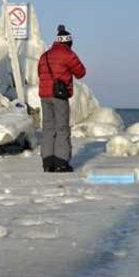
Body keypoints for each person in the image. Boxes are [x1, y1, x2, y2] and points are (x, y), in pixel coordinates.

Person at [37, 24, 86, 173]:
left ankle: (48, 163)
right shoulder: (68, 54)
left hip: (45, 96)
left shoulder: (44, 55)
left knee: (48, 128)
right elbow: (81, 72)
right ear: (68, 42)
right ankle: (61, 163)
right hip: (59, 96)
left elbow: (40, 73)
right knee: (62, 128)